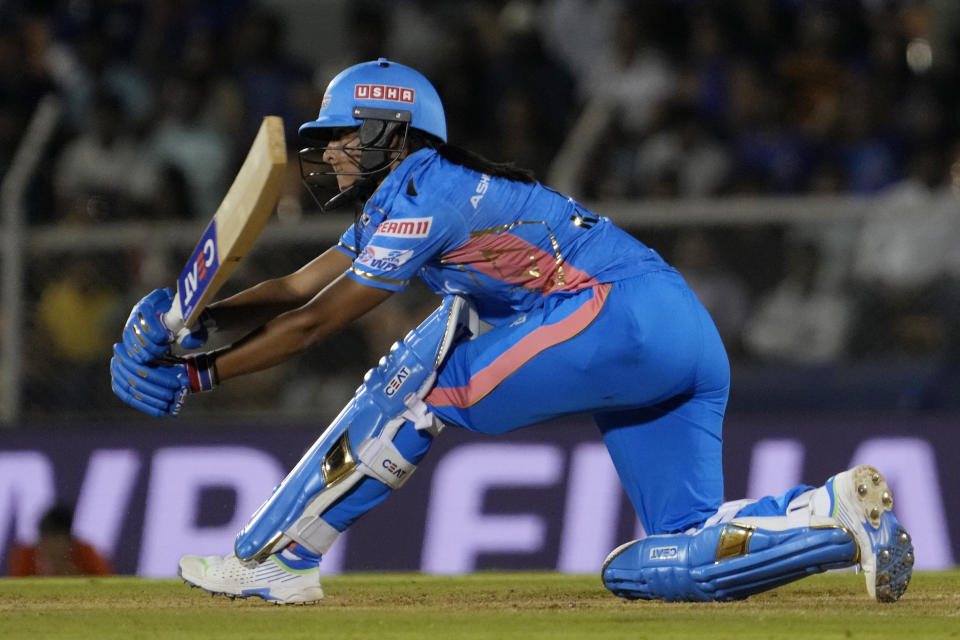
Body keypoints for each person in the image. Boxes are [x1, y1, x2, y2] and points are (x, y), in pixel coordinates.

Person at [110, 58, 913, 604]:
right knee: (658, 563)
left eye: (346, 137)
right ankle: (830, 515)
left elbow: (318, 321)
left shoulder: (425, 188)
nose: (331, 157)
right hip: (678, 333)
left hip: (613, 316)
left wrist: (198, 377)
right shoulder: (418, 197)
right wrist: (198, 321)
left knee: (416, 381)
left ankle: (276, 560)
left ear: (393, 133)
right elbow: (294, 286)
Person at [6, 505, 111, 577]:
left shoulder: (85, 553)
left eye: (56, 539)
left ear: (69, 540)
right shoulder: (26, 555)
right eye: (45, 539)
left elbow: (107, 587)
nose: (50, 546)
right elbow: (17, 594)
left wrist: (77, 579)